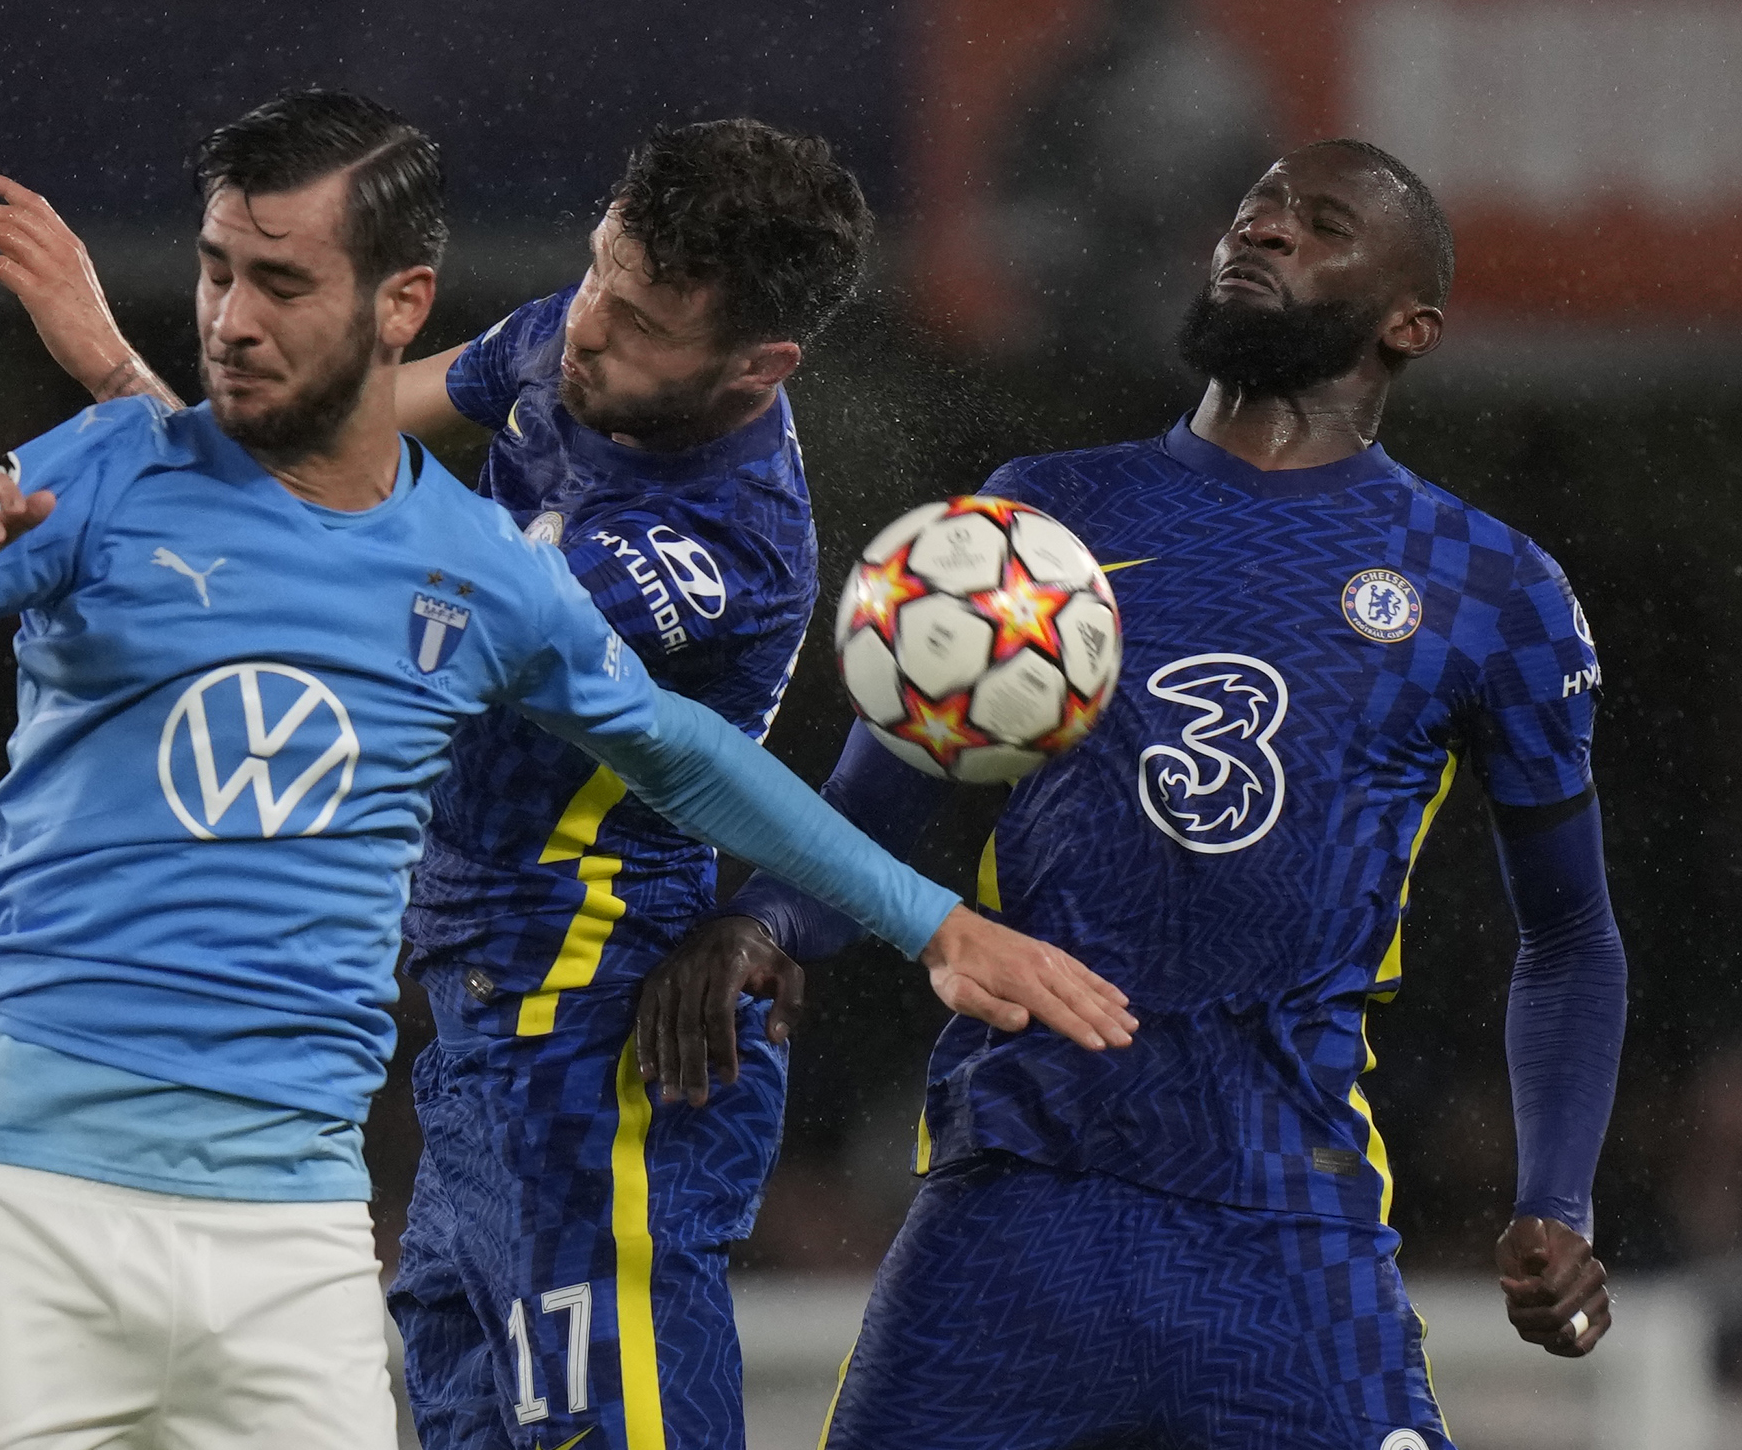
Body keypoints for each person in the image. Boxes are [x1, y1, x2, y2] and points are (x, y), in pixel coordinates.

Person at [0, 91, 1137, 1450]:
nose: (585, 329)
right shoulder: (540, 355)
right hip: (299, 1095)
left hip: (594, 1033)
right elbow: (320, 463)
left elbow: (358, 570)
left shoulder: (691, 560)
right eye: (216, 274)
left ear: (756, 365)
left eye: (638, 321)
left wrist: (929, 920)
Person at [652, 139, 1627, 1449]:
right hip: (1014, 1209)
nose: (1266, 229)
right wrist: (767, 921)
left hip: (1289, 1230)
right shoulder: (1042, 516)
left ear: (1411, 323)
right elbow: (880, 798)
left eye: (1320, 223)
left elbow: (1569, 931)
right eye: (1256, 207)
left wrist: (1558, 1194)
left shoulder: (1490, 588)